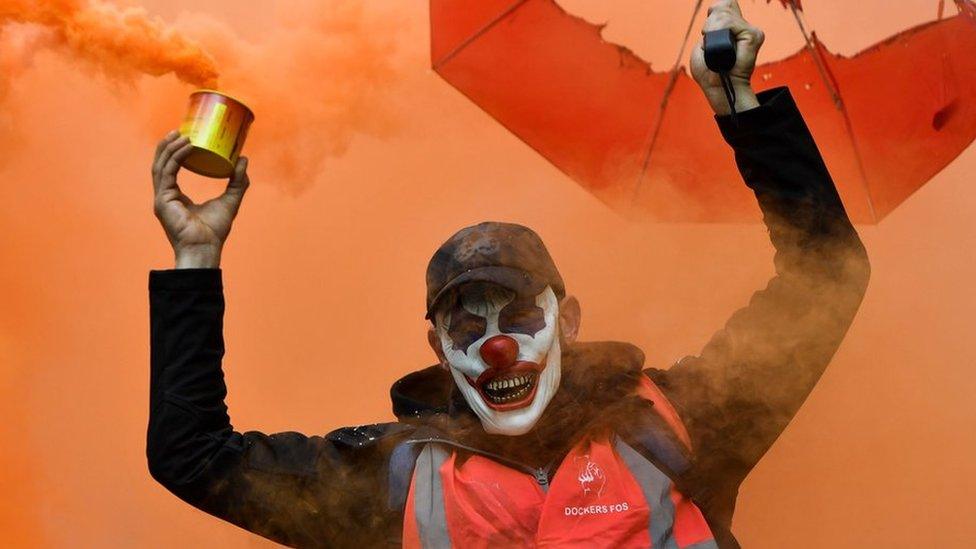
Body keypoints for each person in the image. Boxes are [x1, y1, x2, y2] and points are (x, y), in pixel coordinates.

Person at [146, 1, 870, 547]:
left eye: (519, 313)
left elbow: (826, 274)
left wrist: (742, 106)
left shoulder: (677, 422)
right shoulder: (392, 478)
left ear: (569, 319)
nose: (496, 344)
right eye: (467, 322)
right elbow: (195, 457)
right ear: (438, 350)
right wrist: (194, 260)